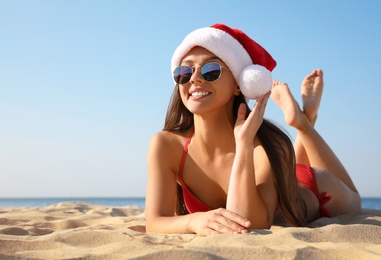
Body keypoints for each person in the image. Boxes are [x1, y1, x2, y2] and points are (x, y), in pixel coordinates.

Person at [145, 23, 360, 236]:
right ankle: (305, 120)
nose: (194, 78)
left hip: (306, 185)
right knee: (284, 164)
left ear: (239, 84)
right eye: (184, 72)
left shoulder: (265, 144)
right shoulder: (166, 145)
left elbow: (250, 222)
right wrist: (195, 221)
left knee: (355, 201)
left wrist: (244, 143)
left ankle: (303, 124)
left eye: (211, 70)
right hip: (278, 171)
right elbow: (154, 222)